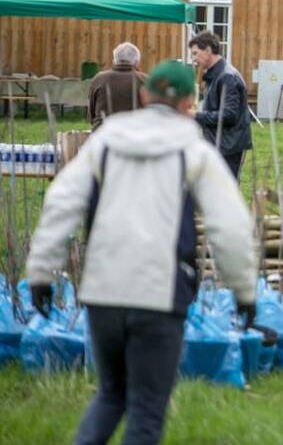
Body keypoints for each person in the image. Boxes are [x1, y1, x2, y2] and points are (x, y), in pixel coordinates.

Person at [26, 60, 257, 445]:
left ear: (146, 94)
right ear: (189, 102)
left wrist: (40, 272)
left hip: (103, 291)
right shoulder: (194, 151)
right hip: (160, 296)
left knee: (111, 395)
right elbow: (229, 226)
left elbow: (61, 203)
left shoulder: (106, 140)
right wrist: (244, 290)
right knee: (147, 410)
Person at [187, 31, 252, 179]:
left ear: (209, 50)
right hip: (217, 143)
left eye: (196, 53)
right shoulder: (214, 75)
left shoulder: (227, 77)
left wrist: (196, 115)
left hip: (227, 147)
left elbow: (229, 115)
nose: (194, 59)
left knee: (225, 194)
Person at [87, 42, 147, 129]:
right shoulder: (145, 80)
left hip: (103, 135)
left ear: (114, 61)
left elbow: (91, 116)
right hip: (136, 135)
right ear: (137, 62)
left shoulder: (99, 79)